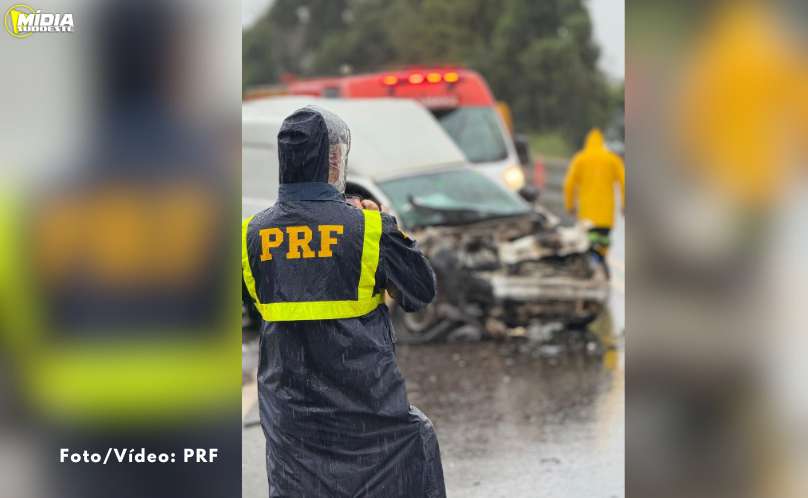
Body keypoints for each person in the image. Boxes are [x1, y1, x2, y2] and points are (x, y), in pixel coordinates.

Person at [242, 106, 446, 497]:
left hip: (292, 422)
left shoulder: (251, 234)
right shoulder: (368, 228)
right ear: (335, 159)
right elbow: (421, 292)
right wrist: (387, 227)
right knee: (419, 440)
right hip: (370, 415)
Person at [564, 128, 626, 260]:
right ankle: (600, 263)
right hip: (606, 216)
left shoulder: (580, 158)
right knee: (603, 243)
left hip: (587, 215)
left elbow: (569, 184)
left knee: (587, 244)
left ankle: (592, 265)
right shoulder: (612, 159)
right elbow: (624, 181)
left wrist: (570, 206)